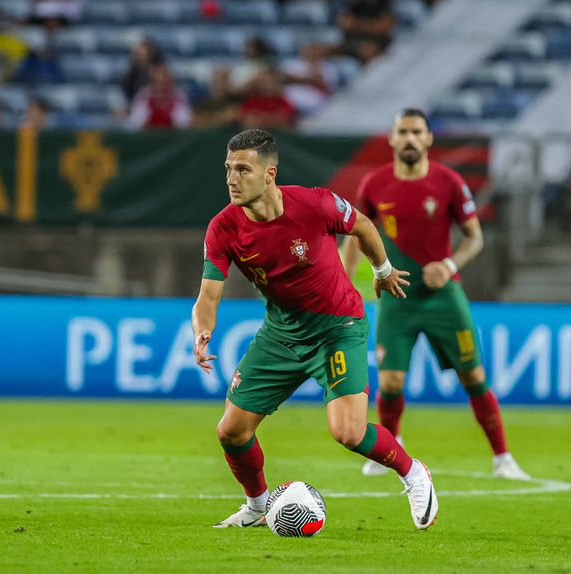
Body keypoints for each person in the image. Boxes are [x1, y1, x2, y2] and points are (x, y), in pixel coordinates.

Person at [193, 128, 438, 531]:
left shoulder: (315, 203)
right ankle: (257, 506)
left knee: (349, 432)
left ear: (269, 174)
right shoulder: (223, 227)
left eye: (243, 170)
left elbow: (363, 225)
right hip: (281, 334)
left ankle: (413, 473)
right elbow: (207, 296)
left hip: (338, 327)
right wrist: (202, 331)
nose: (232, 179)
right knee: (232, 432)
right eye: (228, 169)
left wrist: (382, 270)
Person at [343, 108, 530, 480]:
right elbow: (355, 235)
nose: (410, 138)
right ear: (392, 138)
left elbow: (475, 237)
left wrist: (448, 264)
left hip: (444, 297)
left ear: (428, 138)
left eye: (417, 132)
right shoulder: (374, 184)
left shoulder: (449, 181)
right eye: (403, 132)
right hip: (398, 296)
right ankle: (389, 449)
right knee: (391, 381)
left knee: (473, 376)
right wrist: (343, 285)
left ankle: (502, 457)